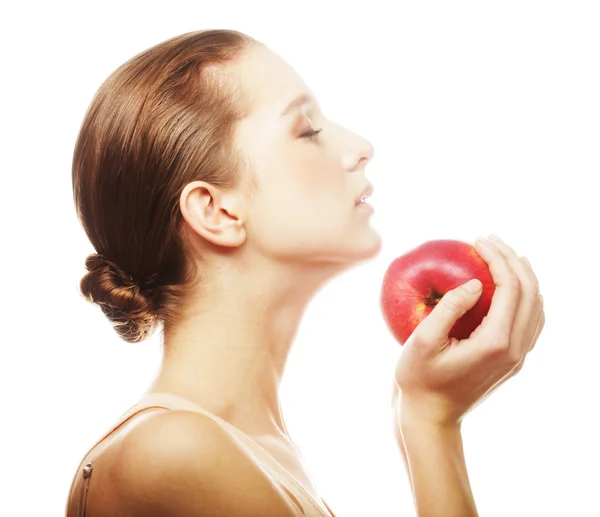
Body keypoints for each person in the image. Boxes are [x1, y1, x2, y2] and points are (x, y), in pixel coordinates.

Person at [64, 29, 545, 517]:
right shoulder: (173, 452)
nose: (361, 146)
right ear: (218, 211)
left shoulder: (261, 449)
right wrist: (431, 423)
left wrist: (423, 415)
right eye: (308, 130)